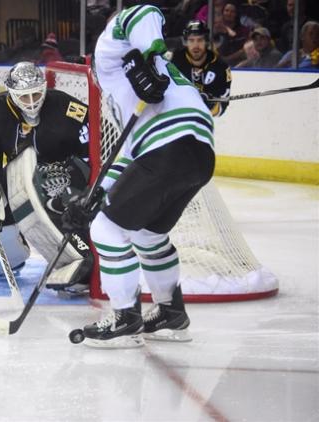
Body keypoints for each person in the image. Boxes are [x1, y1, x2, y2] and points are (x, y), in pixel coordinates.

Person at [64, 4, 215, 348]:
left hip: (168, 148)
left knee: (105, 227)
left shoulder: (108, 53)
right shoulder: (128, 95)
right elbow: (130, 155)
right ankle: (170, 312)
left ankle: (125, 316)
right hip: (197, 155)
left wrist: (152, 51)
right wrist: (95, 195)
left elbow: (143, 12)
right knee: (148, 234)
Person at [0, 61, 95, 295]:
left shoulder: (66, 107)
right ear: (11, 93)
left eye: (36, 94)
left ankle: (78, 255)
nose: (31, 103)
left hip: (66, 181)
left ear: (44, 88)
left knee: (69, 212)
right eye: (24, 97)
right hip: (20, 183)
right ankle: (13, 252)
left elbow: (92, 155)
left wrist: (79, 188)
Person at [172, 20, 232, 116]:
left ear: (206, 41)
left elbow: (221, 108)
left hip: (202, 122)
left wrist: (209, 105)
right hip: (176, 117)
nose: (196, 45)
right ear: (186, 42)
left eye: (200, 40)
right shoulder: (173, 61)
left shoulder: (221, 67)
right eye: (191, 40)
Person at [216, 1, 251, 66]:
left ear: (236, 14)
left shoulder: (244, 30)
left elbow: (245, 49)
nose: (229, 13)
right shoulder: (216, 29)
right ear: (222, 13)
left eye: (232, 11)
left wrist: (227, 59)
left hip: (239, 65)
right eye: (226, 10)